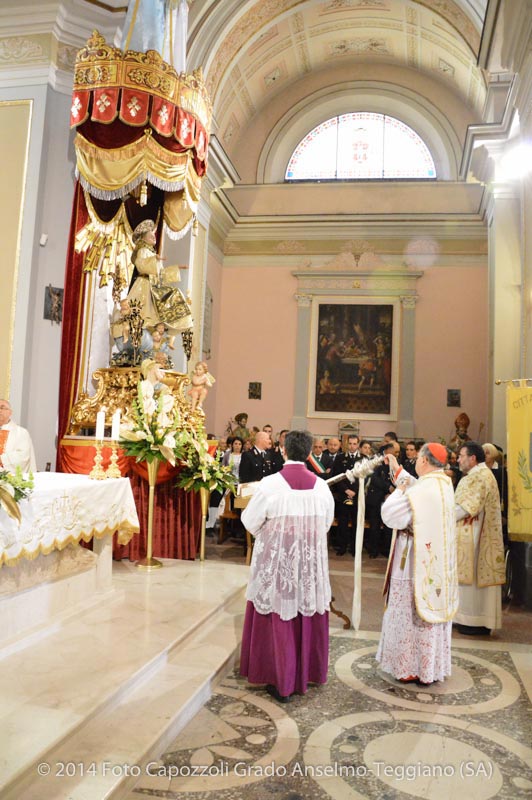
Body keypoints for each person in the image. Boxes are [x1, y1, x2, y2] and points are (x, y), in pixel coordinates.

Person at [239, 430, 335, 702]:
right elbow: (325, 524)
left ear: (283, 450)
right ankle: (306, 672)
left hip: (278, 562)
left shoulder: (270, 485)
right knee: (304, 608)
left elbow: (250, 521)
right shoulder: (321, 487)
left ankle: (277, 675)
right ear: (308, 454)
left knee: (278, 611)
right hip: (307, 566)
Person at [376, 443, 458, 685]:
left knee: (410, 613)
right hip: (437, 564)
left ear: (424, 460)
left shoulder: (422, 490)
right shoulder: (442, 483)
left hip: (413, 560)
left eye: (418, 458)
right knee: (429, 614)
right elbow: (418, 487)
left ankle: (409, 667)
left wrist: (400, 488)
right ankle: (428, 667)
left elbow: (390, 515)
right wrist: (398, 470)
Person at [454, 441, 506, 635]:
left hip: (477, 537)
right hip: (475, 532)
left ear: (472, 458)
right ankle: (468, 618)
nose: (458, 459)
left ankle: (473, 619)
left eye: (461, 456)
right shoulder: (479, 475)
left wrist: (441, 515)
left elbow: (466, 508)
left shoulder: (479, 477)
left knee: (473, 580)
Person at [126, 219, 193, 339]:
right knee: (143, 315)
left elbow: (161, 274)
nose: (154, 238)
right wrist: (153, 260)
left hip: (154, 287)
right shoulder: (143, 251)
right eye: (151, 236)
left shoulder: (153, 254)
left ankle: (177, 320)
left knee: (174, 293)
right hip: (144, 286)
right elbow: (140, 265)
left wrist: (176, 268)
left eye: (154, 236)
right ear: (143, 239)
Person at [329, 435, 363, 556]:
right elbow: (337, 476)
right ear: (346, 444)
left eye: (355, 444)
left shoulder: (363, 459)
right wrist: (346, 490)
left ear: (358, 444)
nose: (352, 446)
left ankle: (354, 548)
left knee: (355, 522)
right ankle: (342, 547)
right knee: (342, 522)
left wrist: (355, 491)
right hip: (344, 494)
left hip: (357, 496)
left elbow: (365, 478)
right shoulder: (340, 458)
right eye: (350, 444)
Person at [0, 399, 37, 473]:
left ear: (10, 413)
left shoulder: (21, 432)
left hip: (10, 477)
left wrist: (2, 459)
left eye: (2, 407)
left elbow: (23, 456)